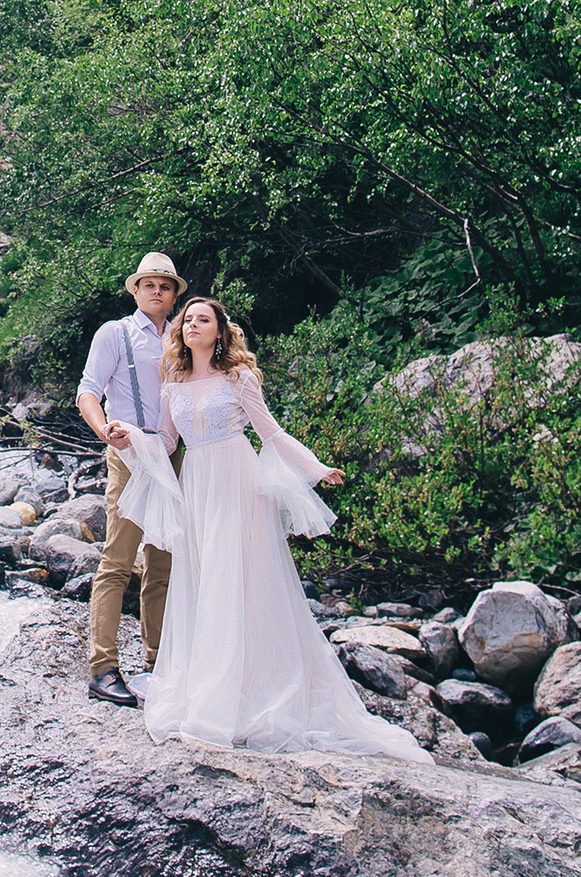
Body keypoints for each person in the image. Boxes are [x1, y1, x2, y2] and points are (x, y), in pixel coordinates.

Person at [117, 294, 427, 760]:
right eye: (188, 319)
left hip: (239, 482)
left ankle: (257, 694)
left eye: (204, 319)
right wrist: (131, 439)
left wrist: (315, 468)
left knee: (243, 580)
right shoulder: (172, 383)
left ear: (220, 332)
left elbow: (271, 432)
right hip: (198, 486)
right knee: (207, 581)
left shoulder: (239, 378)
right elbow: (166, 441)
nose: (193, 325)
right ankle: (215, 690)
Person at [75, 251, 184, 708]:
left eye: (165, 286)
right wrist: (105, 431)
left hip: (174, 457)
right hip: (129, 454)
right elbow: (87, 391)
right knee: (118, 560)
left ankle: (159, 663)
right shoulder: (114, 333)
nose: (156, 291)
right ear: (135, 291)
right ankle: (102, 668)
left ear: (174, 295)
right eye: (149, 285)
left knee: (163, 564)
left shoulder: (183, 336)